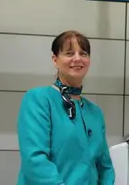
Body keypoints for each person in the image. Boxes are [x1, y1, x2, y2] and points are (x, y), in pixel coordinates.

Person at [17, 30, 114, 185]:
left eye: (83, 53)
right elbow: (34, 159)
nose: (77, 58)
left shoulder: (95, 112)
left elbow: (105, 167)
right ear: (55, 59)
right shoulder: (39, 99)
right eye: (69, 53)